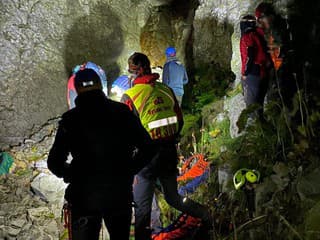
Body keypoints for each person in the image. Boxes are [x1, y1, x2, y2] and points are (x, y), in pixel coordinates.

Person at [48, 68, 155, 240]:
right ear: (100, 85)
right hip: (118, 195)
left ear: (76, 89)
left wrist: (72, 175)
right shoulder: (121, 112)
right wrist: (129, 170)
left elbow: (54, 162)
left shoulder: (70, 119)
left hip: (84, 197)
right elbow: (148, 147)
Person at [121, 52, 211, 240]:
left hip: (145, 160)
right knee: (173, 197)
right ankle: (206, 215)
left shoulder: (130, 96)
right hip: (168, 153)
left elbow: (126, 133)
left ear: (134, 74)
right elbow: (179, 121)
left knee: (142, 209)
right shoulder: (165, 90)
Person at [255, 2, 296, 109]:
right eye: (259, 20)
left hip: (286, 70)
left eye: (261, 19)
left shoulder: (279, 28)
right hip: (280, 69)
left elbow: (284, 49)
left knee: (282, 100)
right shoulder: (272, 30)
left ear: (270, 16)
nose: (261, 23)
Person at [240, 15, 270, 120]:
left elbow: (250, 54)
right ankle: (262, 125)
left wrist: (245, 73)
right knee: (260, 102)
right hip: (263, 71)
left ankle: (256, 129)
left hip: (253, 73)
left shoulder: (247, 37)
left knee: (252, 105)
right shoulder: (260, 34)